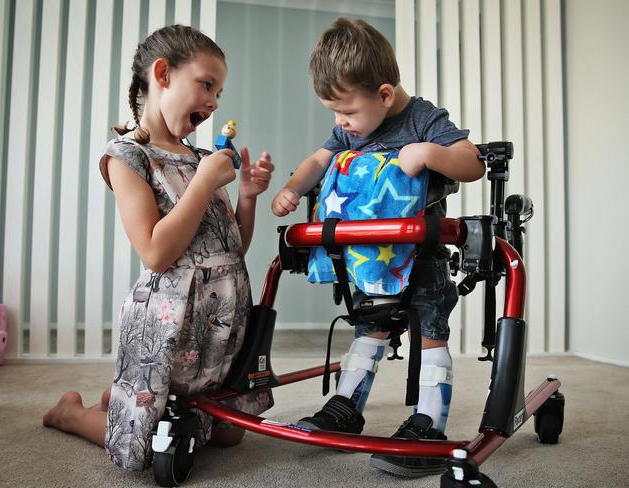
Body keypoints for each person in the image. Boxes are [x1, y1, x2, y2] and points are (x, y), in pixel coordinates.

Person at [43, 25, 275, 471]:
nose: (213, 102)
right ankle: (73, 414)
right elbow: (155, 252)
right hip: (169, 326)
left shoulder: (201, 158)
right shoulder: (127, 157)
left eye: (219, 92)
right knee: (147, 452)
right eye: (206, 84)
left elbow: (233, 249)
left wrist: (246, 196)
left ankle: (129, 402)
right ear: (163, 74)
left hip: (221, 324)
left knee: (227, 435)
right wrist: (206, 181)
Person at [271, 17, 484, 478]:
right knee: (369, 326)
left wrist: (429, 153)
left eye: (346, 112)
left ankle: (429, 422)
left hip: (420, 254)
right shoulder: (351, 128)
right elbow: (318, 160)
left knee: (431, 329)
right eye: (334, 114)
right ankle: (346, 405)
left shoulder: (424, 118)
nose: (340, 124)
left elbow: (471, 163)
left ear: (385, 95)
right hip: (367, 254)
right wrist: (291, 188)